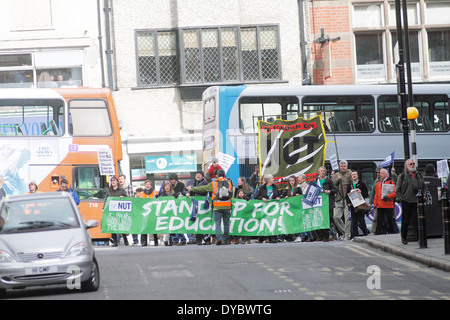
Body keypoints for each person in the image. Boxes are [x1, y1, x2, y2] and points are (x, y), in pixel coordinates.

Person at [186, 169, 232, 245]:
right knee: (226, 224)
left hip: (217, 206)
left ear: (216, 175)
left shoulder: (214, 183)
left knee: (218, 223)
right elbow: (231, 193)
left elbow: (202, 188)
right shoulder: (229, 183)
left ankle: (218, 238)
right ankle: (225, 240)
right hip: (227, 206)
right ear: (224, 175)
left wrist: (192, 189)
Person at [395, 159, 425, 245]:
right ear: (407, 166)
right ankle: (404, 236)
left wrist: (425, 194)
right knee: (406, 221)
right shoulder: (403, 176)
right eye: (411, 164)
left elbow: (424, 186)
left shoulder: (418, 175)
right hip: (407, 201)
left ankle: (420, 238)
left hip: (417, 201)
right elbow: (397, 189)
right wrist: (401, 198)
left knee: (417, 220)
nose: (412, 165)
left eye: (413, 163)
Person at [254, 174, 281, 243]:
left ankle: (273, 237)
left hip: (273, 208)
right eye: (272, 178)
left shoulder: (275, 187)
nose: (273, 179)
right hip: (264, 208)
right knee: (264, 222)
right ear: (268, 180)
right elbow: (256, 196)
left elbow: (278, 195)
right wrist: (262, 198)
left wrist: (278, 198)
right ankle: (262, 237)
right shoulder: (262, 188)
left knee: (273, 222)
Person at [185, 170, 209, 245]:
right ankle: (198, 239)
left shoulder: (205, 183)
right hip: (193, 205)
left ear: (202, 176)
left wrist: (191, 188)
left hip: (202, 205)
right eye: (197, 174)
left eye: (199, 174)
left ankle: (206, 239)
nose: (198, 175)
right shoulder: (190, 182)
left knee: (204, 220)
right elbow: (184, 189)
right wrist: (186, 193)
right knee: (196, 221)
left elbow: (202, 190)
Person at [104, 176, 128, 247]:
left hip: (120, 210)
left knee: (122, 225)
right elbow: (106, 200)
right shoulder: (109, 191)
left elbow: (127, 199)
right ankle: (115, 242)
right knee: (112, 225)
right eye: (112, 181)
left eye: (114, 180)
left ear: (117, 182)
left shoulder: (121, 190)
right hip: (112, 211)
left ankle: (125, 239)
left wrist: (123, 198)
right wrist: (103, 208)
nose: (113, 182)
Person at [346, 170, 370, 239]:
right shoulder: (350, 185)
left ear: (357, 176)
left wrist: (361, 192)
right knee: (353, 221)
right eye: (352, 174)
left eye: (355, 174)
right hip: (353, 205)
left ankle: (365, 233)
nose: (354, 176)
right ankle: (354, 235)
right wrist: (348, 202)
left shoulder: (362, 184)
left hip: (360, 205)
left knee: (361, 220)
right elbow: (347, 195)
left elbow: (366, 194)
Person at [316, 166, 337, 242]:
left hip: (327, 202)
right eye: (321, 171)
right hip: (319, 203)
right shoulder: (316, 181)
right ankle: (321, 235)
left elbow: (335, 189)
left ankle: (326, 236)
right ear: (319, 172)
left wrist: (329, 191)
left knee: (326, 219)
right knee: (319, 218)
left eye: (324, 171)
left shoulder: (328, 180)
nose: (322, 172)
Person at [332, 160, 352, 240]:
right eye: (341, 166)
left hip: (347, 200)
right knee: (336, 217)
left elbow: (353, 183)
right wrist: (337, 179)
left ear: (346, 167)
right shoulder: (337, 175)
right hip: (338, 199)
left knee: (347, 219)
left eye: (344, 166)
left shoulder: (349, 173)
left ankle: (347, 235)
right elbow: (332, 185)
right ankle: (345, 232)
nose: (343, 168)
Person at [373, 168, 396, 235]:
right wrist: (375, 204)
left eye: (382, 173)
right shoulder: (378, 183)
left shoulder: (391, 182)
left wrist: (388, 197)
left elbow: (394, 193)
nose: (380, 175)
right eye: (380, 173)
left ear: (386, 174)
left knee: (389, 219)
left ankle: (391, 232)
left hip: (388, 204)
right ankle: (378, 233)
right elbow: (376, 194)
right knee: (379, 220)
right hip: (380, 204)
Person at [281, 175, 301, 242]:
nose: (291, 182)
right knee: (289, 222)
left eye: (292, 180)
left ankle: (298, 236)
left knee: (296, 221)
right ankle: (289, 237)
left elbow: (301, 196)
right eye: (290, 181)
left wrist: (298, 196)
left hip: (296, 208)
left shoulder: (298, 188)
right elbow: (282, 197)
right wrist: (285, 197)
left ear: (295, 181)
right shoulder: (286, 189)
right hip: (289, 208)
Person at [138, 180, 158, 246]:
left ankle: (156, 241)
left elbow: (159, 200)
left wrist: (155, 198)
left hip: (153, 212)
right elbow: (137, 203)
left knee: (153, 227)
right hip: (144, 213)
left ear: (151, 186)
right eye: (146, 184)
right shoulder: (141, 194)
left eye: (149, 184)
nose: (147, 185)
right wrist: (139, 199)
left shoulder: (155, 192)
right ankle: (144, 242)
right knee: (144, 227)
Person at [168, 173, 187, 245]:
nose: (171, 181)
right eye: (170, 180)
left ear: (175, 179)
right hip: (173, 206)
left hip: (180, 205)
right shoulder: (171, 186)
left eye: (172, 179)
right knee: (173, 222)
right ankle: (175, 239)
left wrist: (179, 195)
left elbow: (184, 192)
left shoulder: (181, 185)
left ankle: (182, 239)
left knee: (178, 222)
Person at [119, 174, 137, 244]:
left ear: (124, 179)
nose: (120, 180)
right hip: (121, 209)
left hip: (129, 208)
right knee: (122, 224)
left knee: (132, 224)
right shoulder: (118, 187)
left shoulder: (129, 186)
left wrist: (124, 198)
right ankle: (125, 240)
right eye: (119, 179)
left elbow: (132, 197)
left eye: (121, 179)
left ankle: (135, 240)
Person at [369, 167, 382, 234]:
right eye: (377, 172)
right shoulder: (376, 181)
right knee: (375, 218)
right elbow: (373, 193)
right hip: (377, 203)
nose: (378, 174)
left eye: (379, 172)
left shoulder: (386, 180)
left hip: (383, 202)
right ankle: (373, 231)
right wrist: (370, 202)